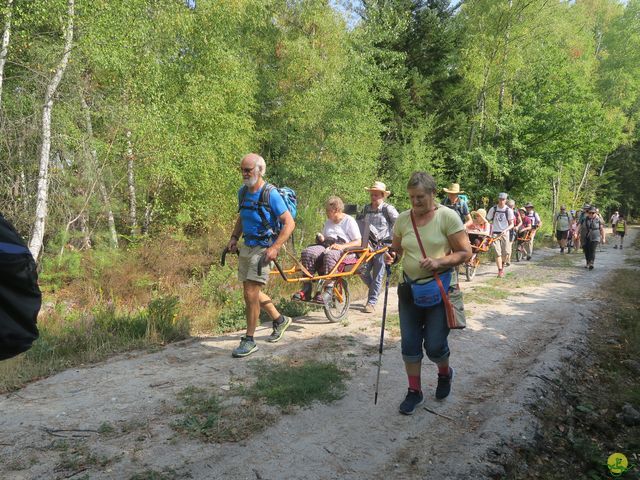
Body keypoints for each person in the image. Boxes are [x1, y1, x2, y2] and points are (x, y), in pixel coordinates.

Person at [386, 171, 471, 415]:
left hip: (440, 289)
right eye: (412, 197)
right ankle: (415, 392)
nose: (415, 202)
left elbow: (466, 253)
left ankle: (445, 373)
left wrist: (439, 262)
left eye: (420, 197)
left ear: (433, 194)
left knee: (434, 345)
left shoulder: (448, 217)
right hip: (410, 290)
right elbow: (397, 250)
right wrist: (391, 255)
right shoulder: (403, 220)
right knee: (410, 344)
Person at [226, 153, 296, 358]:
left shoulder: (271, 194)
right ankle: (280, 319)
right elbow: (243, 215)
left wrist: (275, 247)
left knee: (250, 293)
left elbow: (289, 223)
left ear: (260, 170)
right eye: (242, 170)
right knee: (250, 294)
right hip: (247, 247)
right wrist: (233, 237)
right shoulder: (243, 192)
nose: (244, 174)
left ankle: (249, 340)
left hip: (264, 249)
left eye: (248, 170)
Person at [293, 196, 361, 302]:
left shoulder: (349, 221)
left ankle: (328, 289)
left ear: (337, 210)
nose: (326, 212)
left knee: (330, 255)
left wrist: (341, 246)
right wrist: (321, 238)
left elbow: (358, 241)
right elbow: (325, 239)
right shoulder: (329, 222)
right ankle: (306, 288)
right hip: (328, 245)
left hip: (344, 249)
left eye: (328, 210)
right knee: (308, 252)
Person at [359, 181, 399, 313]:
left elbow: (399, 224)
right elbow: (360, 224)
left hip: (383, 246)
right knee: (361, 270)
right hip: (368, 246)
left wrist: (393, 244)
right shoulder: (366, 208)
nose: (373, 197)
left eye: (376, 195)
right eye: (372, 195)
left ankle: (371, 302)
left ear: (383, 195)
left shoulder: (388, 209)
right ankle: (375, 291)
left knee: (378, 274)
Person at [486, 193, 514, 278]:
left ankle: (502, 264)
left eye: (503, 199)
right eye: (500, 199)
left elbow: (512, 224)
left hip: (505, 233)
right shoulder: (493, 209)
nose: (501, 201)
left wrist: (506, 230)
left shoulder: (508, 210)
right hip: (494, 233)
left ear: (506, 200)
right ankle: (500, 270)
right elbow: (487, 220)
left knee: (506, 252)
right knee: (497, 252)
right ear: (498, 199)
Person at [578, 206, 605, 270]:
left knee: (592, 249)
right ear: (588, 213)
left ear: (595, 213)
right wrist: (576, 233)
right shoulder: (584, 219)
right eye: (590, 213)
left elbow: (602, 229)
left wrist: (603, 238)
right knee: (586, 250)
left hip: (595, 236)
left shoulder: (598, 220)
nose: (591, 214)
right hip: (585, 236)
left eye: (593, 213)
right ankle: (588, 262)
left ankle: (591, 263)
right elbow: (579, 226)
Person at [506, 199, 521, 266]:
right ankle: (505, 258)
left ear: (514, 206)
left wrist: (517, 226)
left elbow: (520, 222)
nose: (510, 207)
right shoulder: (504, 211)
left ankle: (508, 260)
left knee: (509, 244)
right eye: (509, 205)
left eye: (511, 206)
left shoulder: (515, 212)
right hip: (504, 229)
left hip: (512, 230)